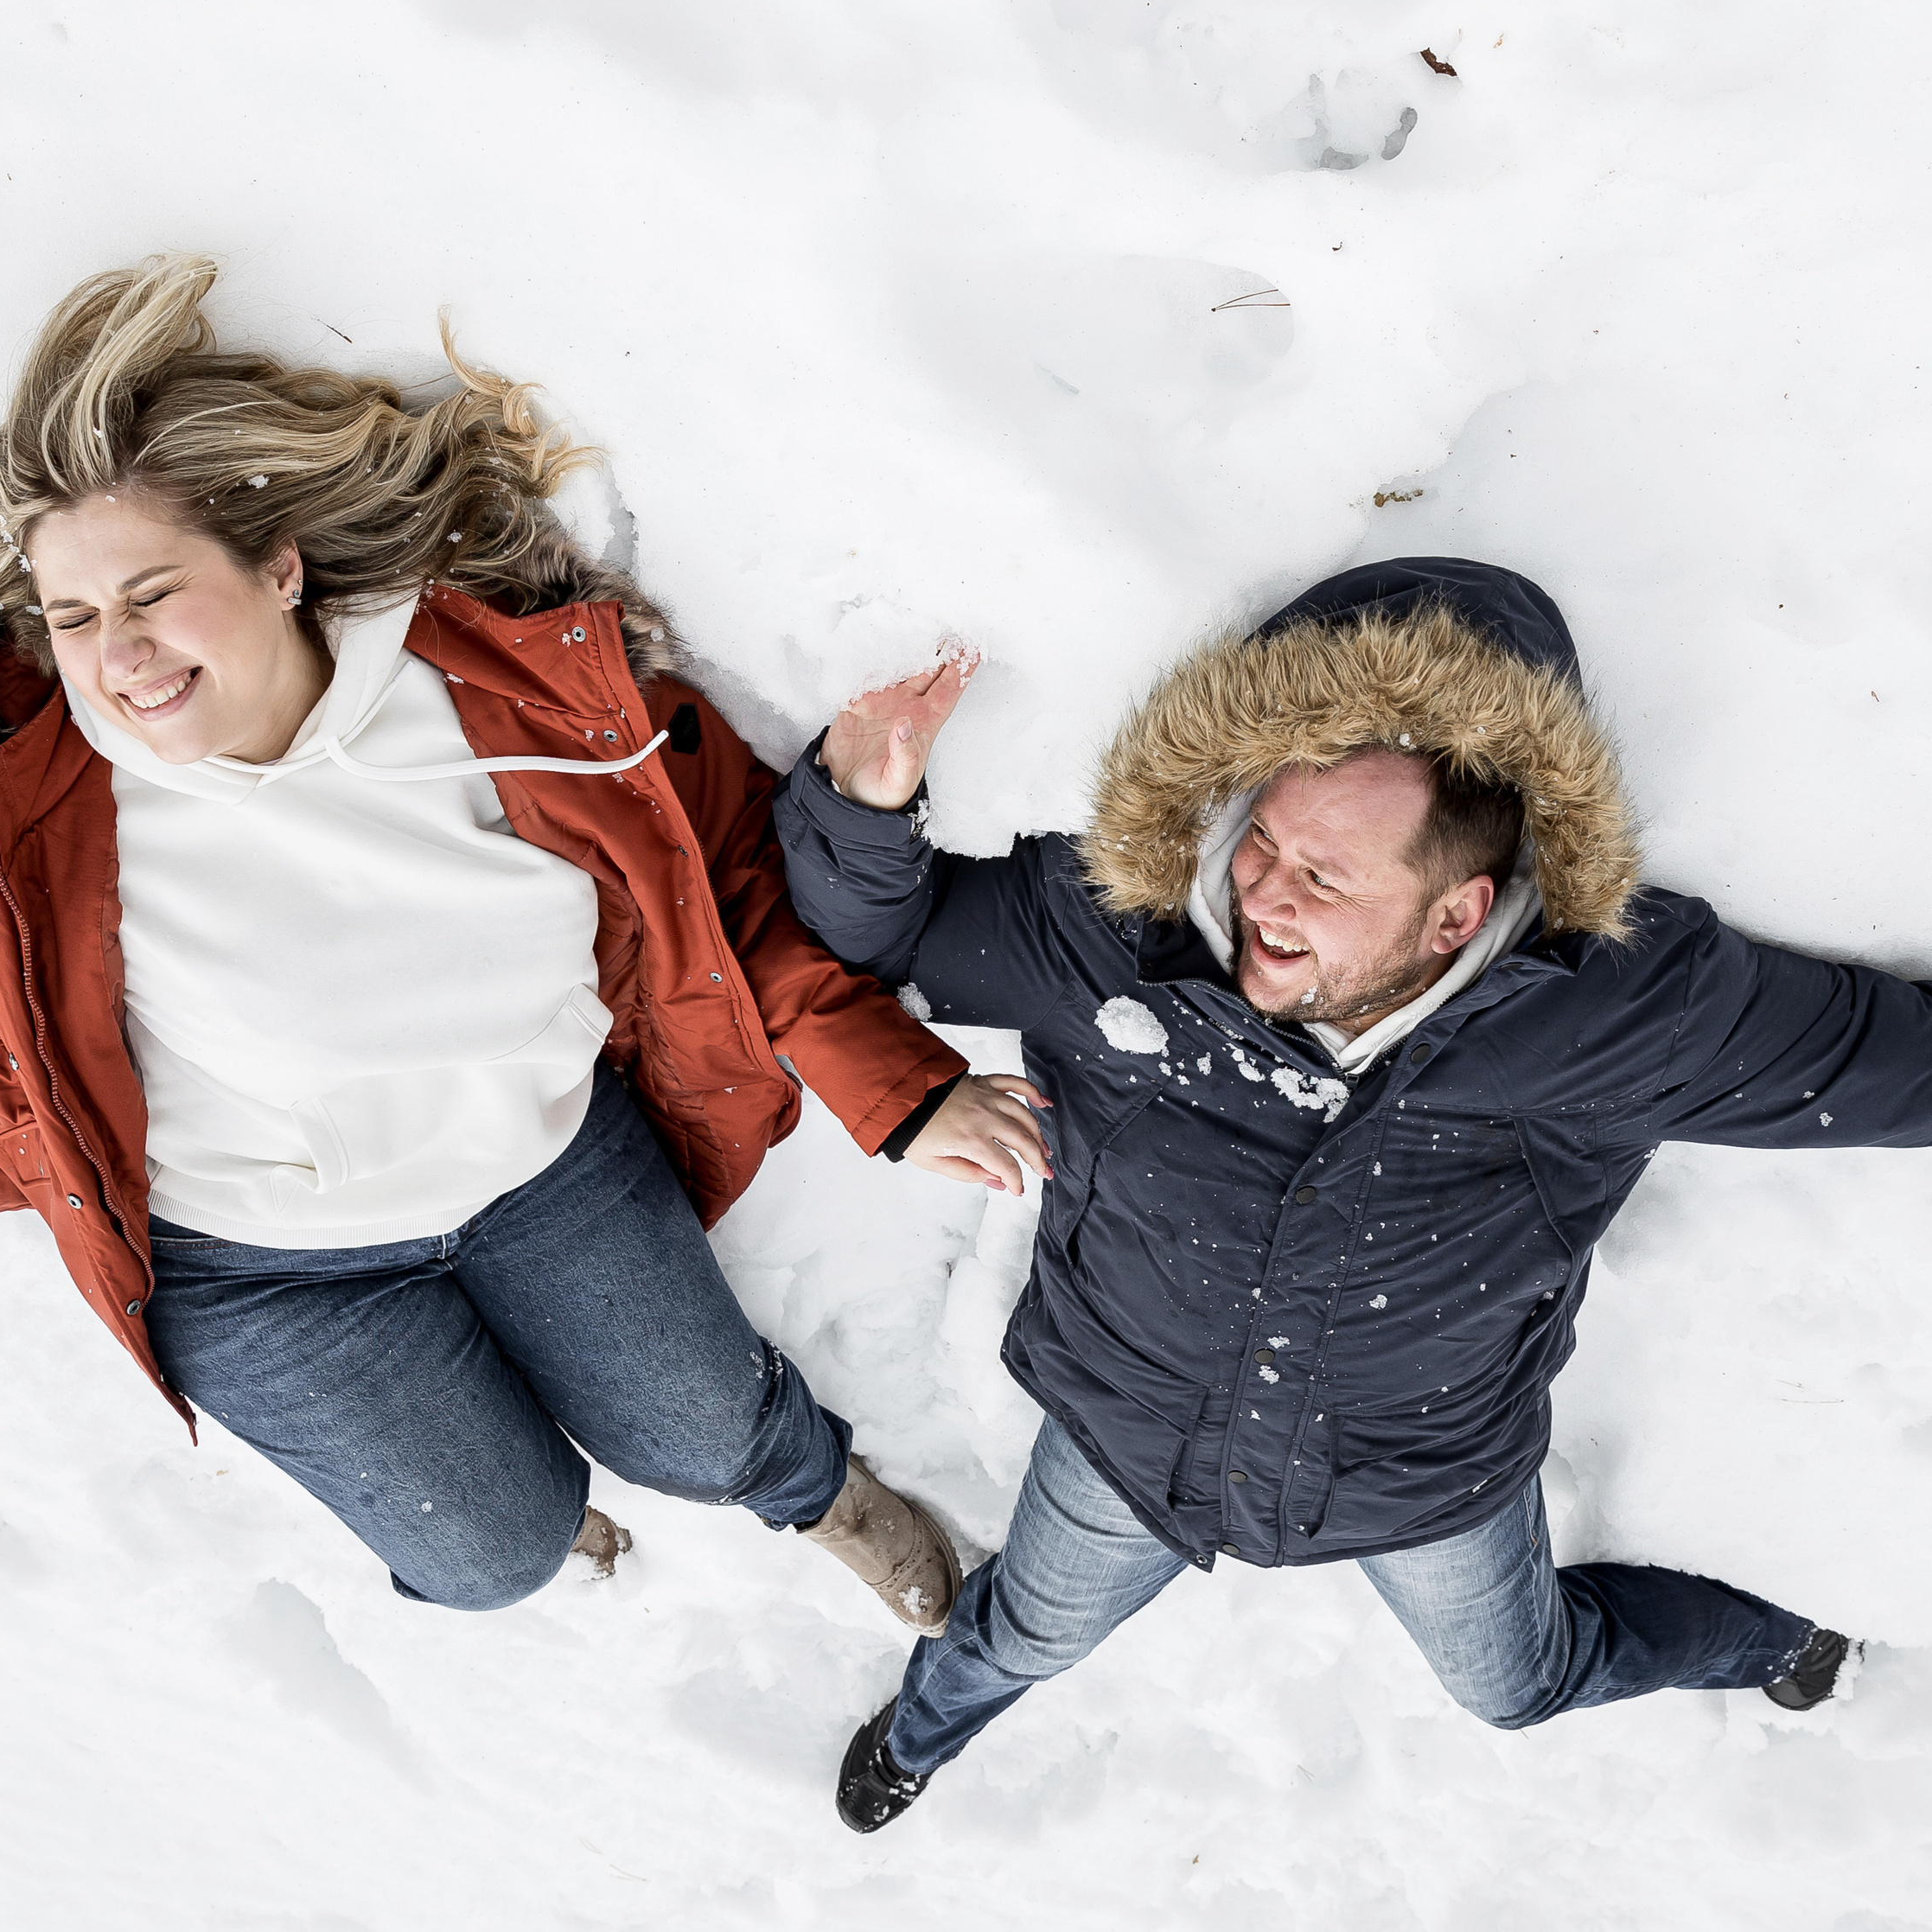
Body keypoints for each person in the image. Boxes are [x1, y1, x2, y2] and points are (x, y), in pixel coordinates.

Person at [0, 255, 1055, 1630]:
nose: (115, 657)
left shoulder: (516, 698)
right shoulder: (34, 833)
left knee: (704, 1434)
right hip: (251, 1266)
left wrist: (897, 1087)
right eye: (72, 618)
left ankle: (813, 1491)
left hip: (541, 1167)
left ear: (280, 566)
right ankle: (539, 1520)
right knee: (494, 1561)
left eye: (149, 595)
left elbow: (717, 904)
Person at [772, 557, 1880, 1833]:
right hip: (1128, 1439)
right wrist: (866, 807)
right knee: (1021, 1631)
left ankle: (1774, 1644)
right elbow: (880, 938)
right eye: (1269, 843)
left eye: (1330, 878)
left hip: (1424, 1479)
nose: (1265, 897)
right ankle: (919, 1733)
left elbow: (1884, 1062)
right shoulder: (1116, 931)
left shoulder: (1613, 1021)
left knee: (1516, 1686)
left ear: (1458, 912)